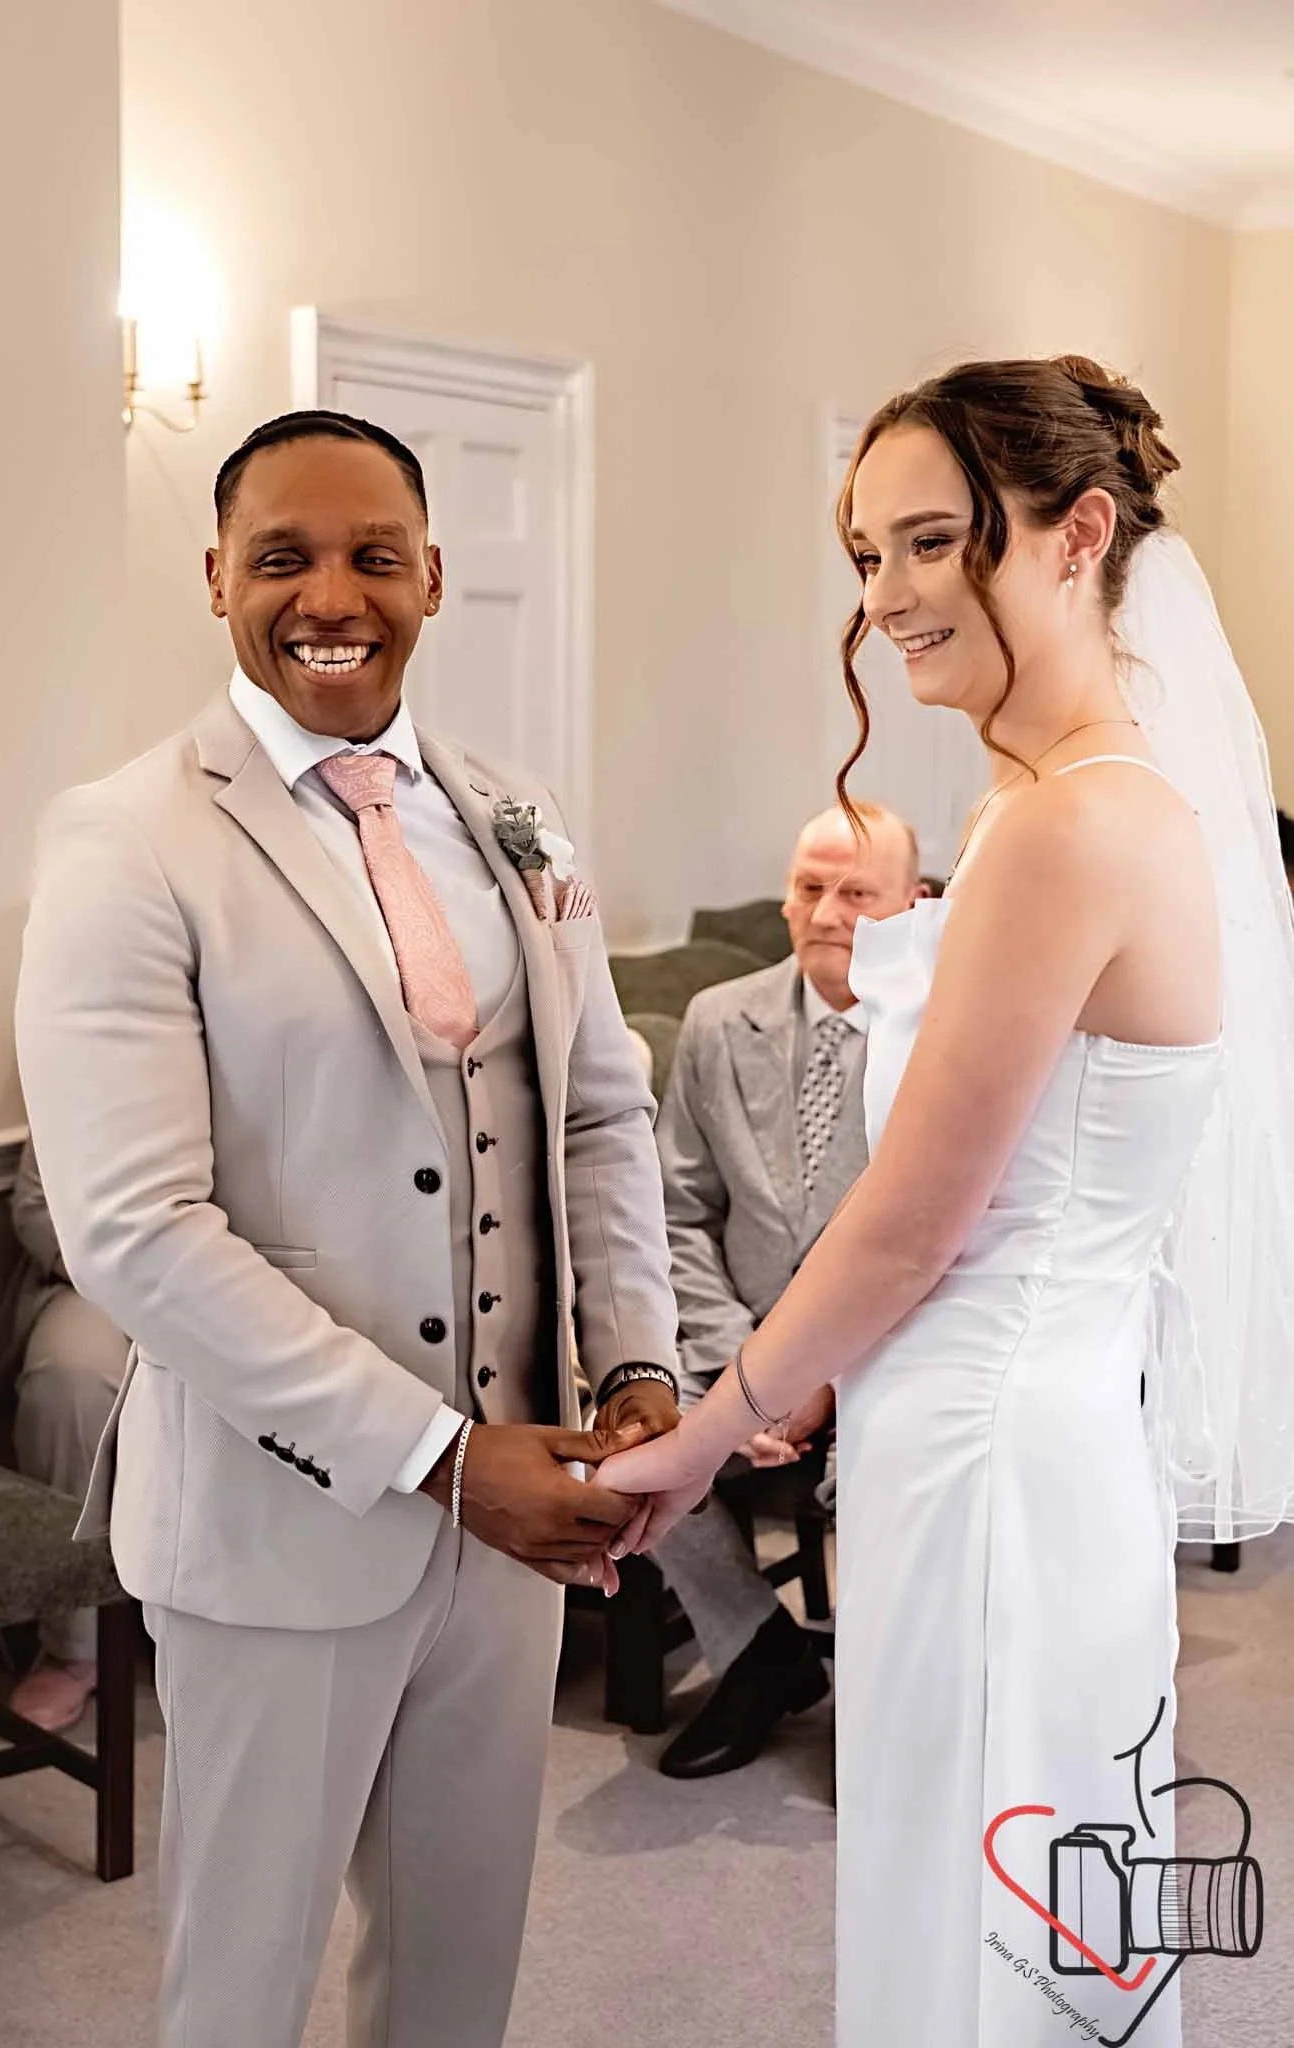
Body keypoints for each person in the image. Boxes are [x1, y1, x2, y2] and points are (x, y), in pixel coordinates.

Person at [604, 357, 1294, 2046]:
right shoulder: (1057, 804)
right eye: (863, 553)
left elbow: (919, 1221)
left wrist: (706, 1432)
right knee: (1011, 1885)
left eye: (930, 541)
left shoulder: (1069, 829)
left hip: (995, 1459)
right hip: (1011, 1428)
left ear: (1080, 536)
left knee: (996, 1916)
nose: (887, 595)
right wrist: (826, 1378)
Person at [15, 410, 681, 2048]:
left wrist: (644, 1369)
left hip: (521, 1518)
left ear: (434, 577)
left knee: (459, 1973)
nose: (334, 593)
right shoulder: (129, 835)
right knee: (241, 1988)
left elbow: (597, 1105)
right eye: (284, 557)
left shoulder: (517, 814)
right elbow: (138, 1232)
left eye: (376, 555)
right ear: (216, 579)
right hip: (279, 1523)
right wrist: (445, 1452)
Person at [651, 801, 922, 1778]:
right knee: (637, 1436)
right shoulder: (722, 1023)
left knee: (891, 1474)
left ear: (912, 904)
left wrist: (823, 1374)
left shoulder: (942, 1035)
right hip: (739, 1339)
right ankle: (759, 1651)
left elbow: (946, 1241)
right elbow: (677, 1209)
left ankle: (886, 1711)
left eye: (858, 892)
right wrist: (743, 1364)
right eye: (810, 886)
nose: (828, 910)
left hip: (886, 1353)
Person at [0, 1134, 130, 1729]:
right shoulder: (91, 1041)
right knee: (68, 1379)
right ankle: (72, 1646)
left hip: (259, 1283)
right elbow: (36, 1205)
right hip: (98, 1277)